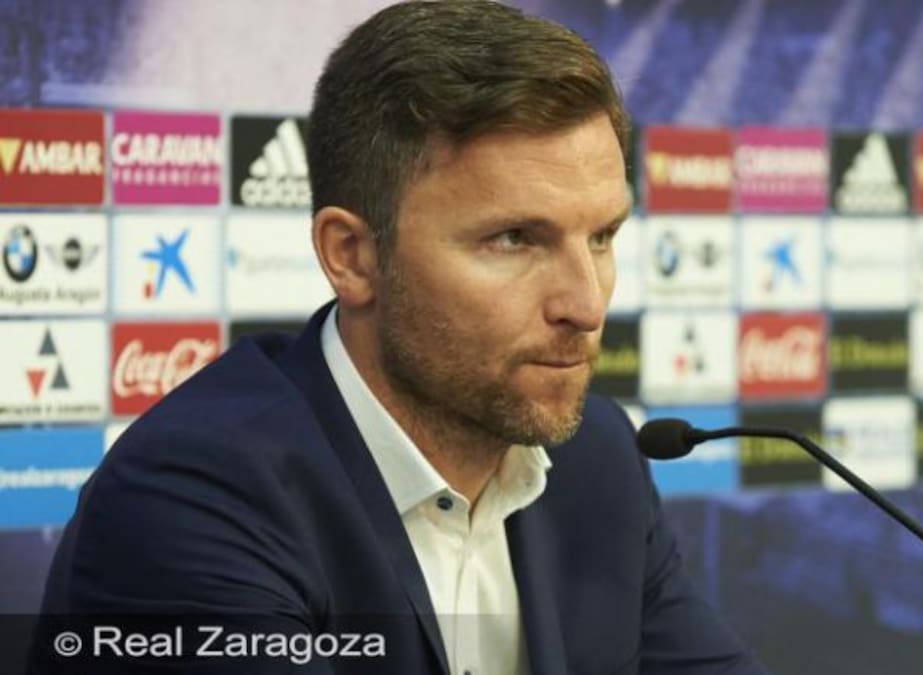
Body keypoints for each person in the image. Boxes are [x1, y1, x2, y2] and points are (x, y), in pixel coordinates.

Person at [31, 1, 768, 674]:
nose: (586, 302)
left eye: (602, 236)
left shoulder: (597, 460)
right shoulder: (191, 500)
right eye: (515, 239)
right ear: (353, 256)